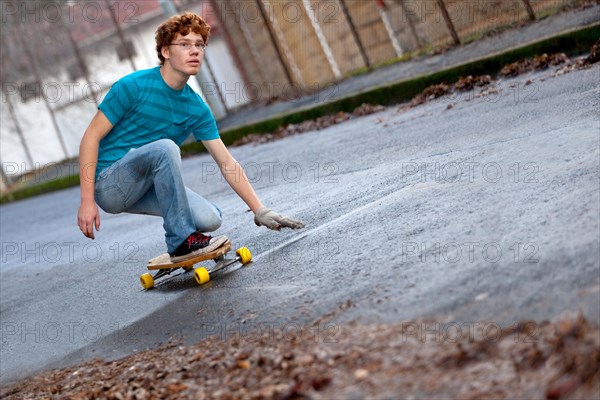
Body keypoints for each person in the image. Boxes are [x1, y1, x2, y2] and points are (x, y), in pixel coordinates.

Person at [77, 12, 304, 262]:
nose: (194, 51)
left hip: (145, 185)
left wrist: (259, 209)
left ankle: (184, 236)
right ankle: (180, 241)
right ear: (165, 52)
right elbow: (90, 139)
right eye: (184, 45)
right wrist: (87, 201)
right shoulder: (132, 87)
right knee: (165, 148)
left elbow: (226, 162)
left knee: (210, 219)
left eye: (199, 45)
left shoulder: (196, 108)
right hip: (109, 183)